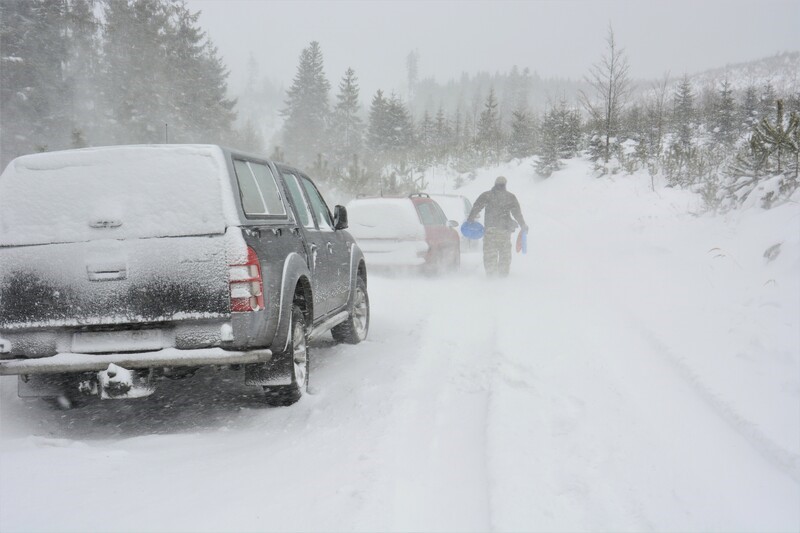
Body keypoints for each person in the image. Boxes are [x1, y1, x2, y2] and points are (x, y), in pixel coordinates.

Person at [467, 176, 528, 277]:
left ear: (495, 184)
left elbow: (476, 207)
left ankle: (491, 278)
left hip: (490, 231)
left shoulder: (487, 195)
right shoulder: (510, 197)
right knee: (505, 255)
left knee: (490, 255)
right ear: (505, 185)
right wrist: (523, 225)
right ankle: (503, 277)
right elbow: (517, 213)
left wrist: (470, 219)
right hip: (504, 232)